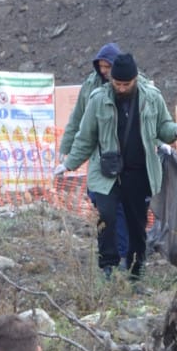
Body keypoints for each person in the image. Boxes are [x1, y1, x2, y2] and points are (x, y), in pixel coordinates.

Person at [56, 53, 177, 279]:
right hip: (107, 172)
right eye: (116, 83)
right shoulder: (98, 99)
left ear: (135, 79)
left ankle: (135, 270)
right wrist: (69, 163)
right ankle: (108, 267)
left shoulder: (152, 97)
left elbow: (163, 126)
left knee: (136, 225)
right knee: (107, 216)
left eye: (125, 84)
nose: (120, 88)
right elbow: (86, 136)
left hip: (140, 173)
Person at [59, 42, 127, 259]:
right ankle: (110, 258)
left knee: (123, 209)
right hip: (99, 157)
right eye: (101, 67)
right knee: (102, 206)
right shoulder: (90, 86)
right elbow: (78, 119)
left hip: (126, 158)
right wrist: (66, 148)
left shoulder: (129, 84)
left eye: (108, 66)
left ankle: (125, 255)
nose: (104, 71)